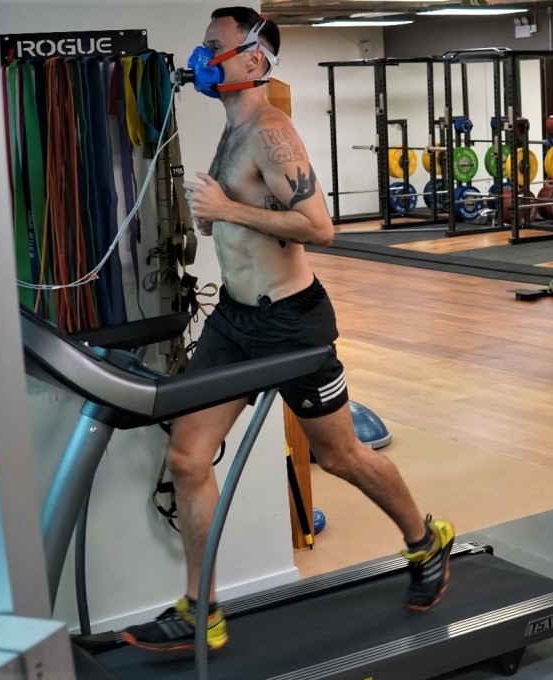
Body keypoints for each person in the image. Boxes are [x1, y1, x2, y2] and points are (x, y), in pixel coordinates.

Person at [121, 6, 454, 652]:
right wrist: (223, 221)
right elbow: (249, 219)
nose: (201, 57)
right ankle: (201, 609)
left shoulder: (274, 133)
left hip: (291, 326)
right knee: (187, 455)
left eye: (212, 47)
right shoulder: (228, 132)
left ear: (252, 60)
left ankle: (425, 539)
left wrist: (227, 207)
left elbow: (320, 228)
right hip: (235, 322)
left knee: (340, 456)